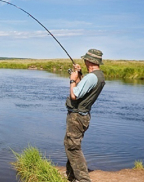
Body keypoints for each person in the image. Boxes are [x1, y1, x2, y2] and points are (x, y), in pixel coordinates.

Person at [64, 49, 105, 182]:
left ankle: (82, 179)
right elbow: (84, 88)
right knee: (70, 144)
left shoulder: (92, 77)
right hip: (82, 116)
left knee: (73, 147)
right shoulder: (98, 75)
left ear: (89, 61)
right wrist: (80, 74)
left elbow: (74, 95)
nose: (84, 61)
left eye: (85, 59)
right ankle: (71, 176)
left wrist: (72, 80)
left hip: (77, 117)